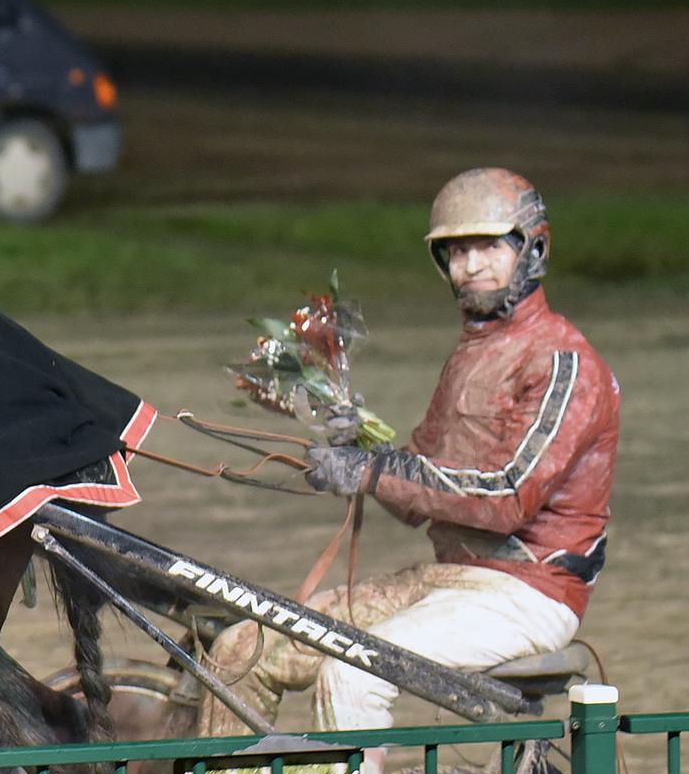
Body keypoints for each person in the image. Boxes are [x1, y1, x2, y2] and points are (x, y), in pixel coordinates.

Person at [194, 167, 620, 741]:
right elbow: (418, 499)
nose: (470, 267)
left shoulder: (566, 365)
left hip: (526, 595)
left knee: (351, 670)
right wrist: (359, 451)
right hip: (448, 579)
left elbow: (506, 499)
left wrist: (374, 470)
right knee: (241, 648)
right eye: (456, 252)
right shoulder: (469, 358)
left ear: (534, 249)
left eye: (489, 247)